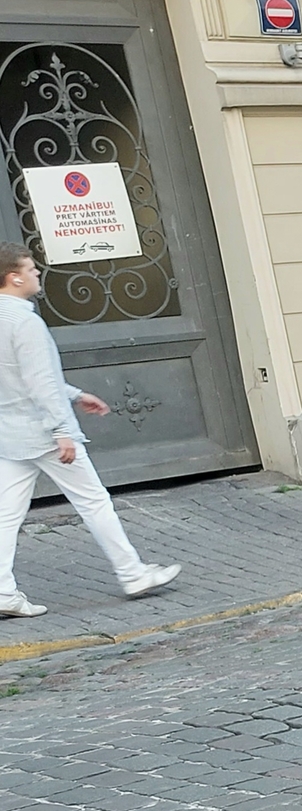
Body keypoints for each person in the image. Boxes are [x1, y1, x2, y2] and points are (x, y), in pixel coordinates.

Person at [0, 240, 180, 617]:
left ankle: (3, 593)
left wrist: (76, 394)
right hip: (43, 433)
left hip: (11, 434)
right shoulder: (26, 322)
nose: (36, 274)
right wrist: (62, 429)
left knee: (6, 515)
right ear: (14, 277)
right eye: (31, 269)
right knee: (94, 501)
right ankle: (132, 574)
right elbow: (39, 382)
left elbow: (20, 379)